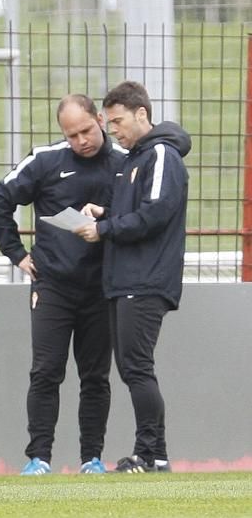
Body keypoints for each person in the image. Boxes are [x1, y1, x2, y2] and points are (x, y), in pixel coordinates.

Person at [0, 94, 125, 476]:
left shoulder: (125, 162)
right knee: (46, 371)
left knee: (95, 377)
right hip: (53, 286)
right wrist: (16, 254)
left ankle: (91, 458)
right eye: (71, 134)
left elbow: (140, 216)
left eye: (86, 130)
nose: (81, 140)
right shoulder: (46, 160)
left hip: (101, 288)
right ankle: (38, 457)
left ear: (100, 119)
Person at [73, 81, 190, 474]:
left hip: (145, 280)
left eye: (118, 121)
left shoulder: (160, 154)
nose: (114, 130)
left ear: (142, 114)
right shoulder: (134, 159)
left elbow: (156, 214)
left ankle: (148, 453)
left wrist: (103, 231)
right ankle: (155, 455)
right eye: (109, 122)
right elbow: (136, 212)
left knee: (137, 367)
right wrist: (105, 215)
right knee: (132, 367)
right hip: (124, 280)